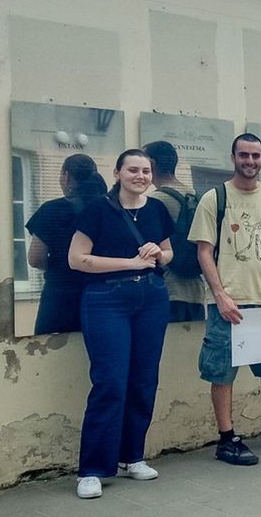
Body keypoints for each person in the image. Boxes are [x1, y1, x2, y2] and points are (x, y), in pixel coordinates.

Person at [188, 133, 261, 465]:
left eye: (256, 155)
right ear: (233, 157)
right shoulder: (215, 198)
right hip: (228, 304)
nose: (250, 161)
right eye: (244, 155)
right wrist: (220, 295)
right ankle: (227, 440)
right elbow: (203, 250)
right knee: (222, 371)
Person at [67, 149, 173, 499]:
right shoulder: (97, 209)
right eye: (132, 170)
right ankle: (93, 469)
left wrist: (157, 255)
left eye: (145, 171)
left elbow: (168, 252)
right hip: (106, 300)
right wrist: (130, 263)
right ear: (117, 173)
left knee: (144, 379)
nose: (140, 176)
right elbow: (78, 259)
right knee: (110, 382)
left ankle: (132, 457)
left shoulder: (156, 209)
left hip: (152, 299)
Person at [26, 154, 107, 335]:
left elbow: (36, 258)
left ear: (66, 176)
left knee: (51, 353)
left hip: (60, 294)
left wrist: (59, 265)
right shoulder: (107, 209)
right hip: (100, 292)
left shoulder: (52, 210)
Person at [143, 140, 207, 322]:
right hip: (196, 290)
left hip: (168, 290)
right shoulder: (195, 196)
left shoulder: (154, 201)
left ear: (152, 164)